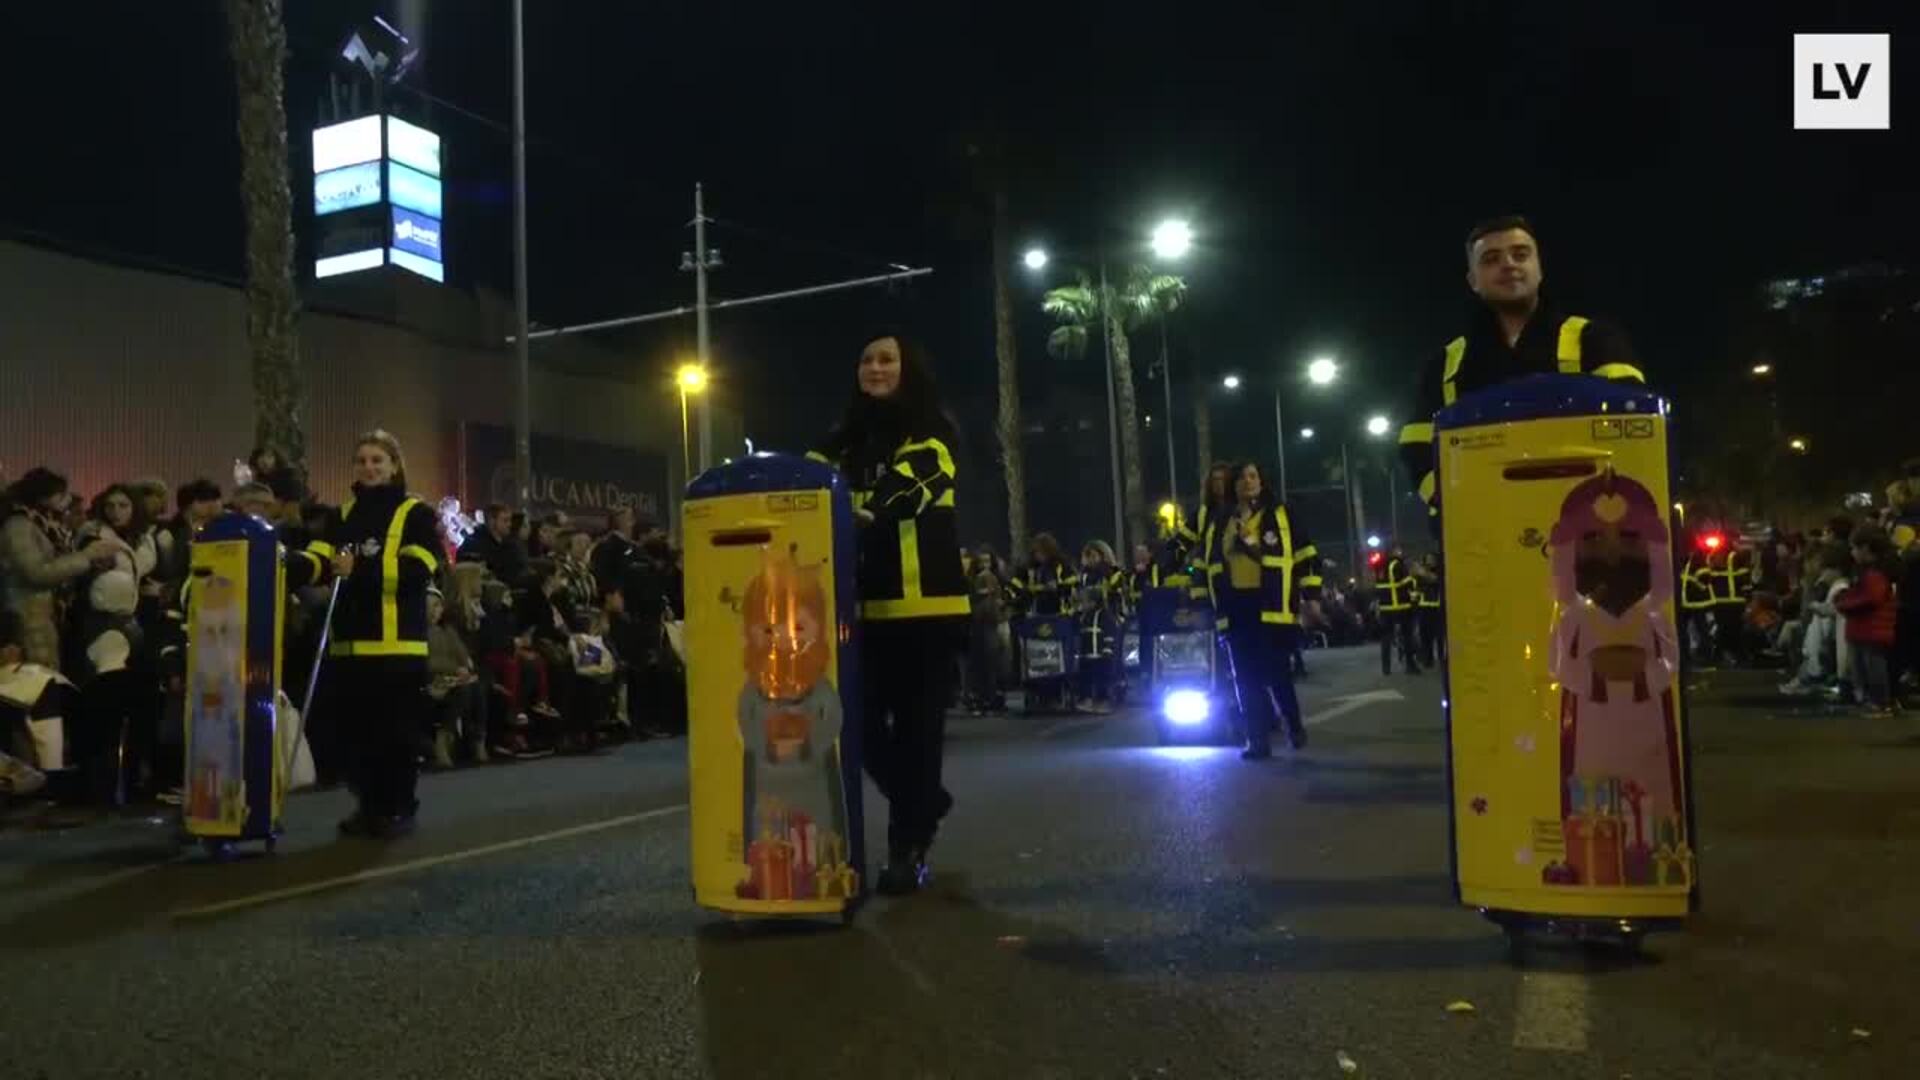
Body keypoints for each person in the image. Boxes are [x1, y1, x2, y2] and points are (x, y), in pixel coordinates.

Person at [809, 331, 968, 894]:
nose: (875, 368)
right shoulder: (838, 443)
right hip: (863, 609)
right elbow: (803, 486)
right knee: (858, 724)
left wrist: (851, 505)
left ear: (909, 367)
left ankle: (907, 848)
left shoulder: (932, 432)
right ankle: (924, 801)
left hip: (926, 608)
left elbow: (909, 488)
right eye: (866, 359)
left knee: (920, 731)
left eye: (886, 359)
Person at [1400, 216, 1644, 518]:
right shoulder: (1443, 366)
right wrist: (1451, 503)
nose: (1508, 264)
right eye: (1491, 259)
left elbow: (1638, 427)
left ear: (1539, 269)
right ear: (1473, 280)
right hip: (1486, 537)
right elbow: (1416, 447)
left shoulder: (1595, 340)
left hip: (1583, 530)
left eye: (1521, 254)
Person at [287, 430, 442, 837]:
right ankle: (368, 805)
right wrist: (284, 567)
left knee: (395, 735)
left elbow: (420, 568)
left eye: (378, 460)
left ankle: (397, 807)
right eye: (362, 460)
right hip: (348, 645)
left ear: (394, 466)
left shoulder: (416, 514)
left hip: (397, 645)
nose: (369, 467)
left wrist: (360, 571)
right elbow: (320, 558)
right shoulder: (341, 516)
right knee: (355, 735)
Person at [1211, 462, 1317, 759]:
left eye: (1253, 476)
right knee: (1245, 678)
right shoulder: (1223, 520)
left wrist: (1312, 597)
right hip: (1235, 606)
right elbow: (1209, 562)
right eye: (1241, 478)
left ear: (1262, 481)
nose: (1248, 482)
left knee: (1277, 673)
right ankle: (1257, 739)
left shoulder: (1281, 513)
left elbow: (1306, 553)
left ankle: (1293, 724)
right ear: (1233, 486)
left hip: (1271, 604)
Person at [1, 468, 119, 672]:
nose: (67, 499)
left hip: (46, 615)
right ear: (44, 496)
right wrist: (86, 557)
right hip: (27, 617)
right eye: (62, 494)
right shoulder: (18, 526)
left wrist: (89, 563)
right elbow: (36, 573)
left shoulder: (43, 525)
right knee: (33, 683)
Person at [1835, 529, 1900, 717]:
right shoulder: (1869, 572)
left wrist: (1844, 603)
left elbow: (1871, 598)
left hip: (1871, 629)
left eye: (1854, 548)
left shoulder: (1874, 574)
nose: (1852, 553)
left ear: (1866, 549)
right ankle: (1873, 703)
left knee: (1873, 669)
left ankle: (1881, 704)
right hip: (1865, 629)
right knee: (1864, 669)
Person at [424, 586, 483, 769]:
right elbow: (428, 662)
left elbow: (462, 655)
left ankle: (478, 740)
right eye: (431, 607)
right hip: (430, 680)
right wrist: (455, 668)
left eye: (438, 606)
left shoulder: (447, 630)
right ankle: (443, 738)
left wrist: (464, 667)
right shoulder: (418, 632)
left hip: (452, 678)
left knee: (477, 688)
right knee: (462, 691)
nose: (436, 611)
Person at [1073, 540, 1127, 712]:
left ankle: (1107, 697)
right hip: (1087, 620)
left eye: (1094, 555)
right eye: (1087, 555)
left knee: (1107, 658)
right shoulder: (1082, 575)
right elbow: (1076, 594)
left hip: (1107, 620)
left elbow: (1117, 596)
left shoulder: (1113, 573)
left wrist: (1100, 599)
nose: (1090, 559)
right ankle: (1087, 697)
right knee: (1087, 659)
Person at [964, 545, 1007, 715]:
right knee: (978, 662)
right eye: (982, 561)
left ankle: (993, 697)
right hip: (976, 624)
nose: (985, 564)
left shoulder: (997, 578)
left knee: (995, 661)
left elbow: (1003, 597)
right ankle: (978, 698)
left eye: (988, 560)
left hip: (993, 623)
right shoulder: (971, 579)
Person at [1372, 544, 1422, 675]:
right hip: (1401, 605)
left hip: (1385, 607)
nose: (1400, 553)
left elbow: (1379, 586)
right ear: (1394, 551)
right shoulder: (1397, 565)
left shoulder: (1379, 567)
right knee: (1407, 636)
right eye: (1399, 550)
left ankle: (1386, 668)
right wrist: (1413, 577)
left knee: (1386, 637)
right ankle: (1410, 666)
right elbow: (1406, 582)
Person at [458, 503, 530, 587]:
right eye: (505, 520)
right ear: (492, 521)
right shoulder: (473, 545)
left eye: (510, 520)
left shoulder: (510, 546)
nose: (509, 524)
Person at [1010, 533, 1073, 616]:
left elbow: (1072, 582)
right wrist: (1026, 589)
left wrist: (1058, 586)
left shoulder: (1061, 564)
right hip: (1034, 610)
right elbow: (1015, 583)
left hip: (1059, 610)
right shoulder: (1028, 566)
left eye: (1043, 552)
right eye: (1037, 552)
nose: (1039, 556)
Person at [1413, 551, 1445, 668]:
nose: (1429, 561)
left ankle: (1442, 659)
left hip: (1437, 607)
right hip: (1423, 607)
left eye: (1431, 559)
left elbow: (1435, 579)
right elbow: (1416, 587)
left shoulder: (1439, 570)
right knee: (1425, 635)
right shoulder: (1420, 574)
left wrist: (1422, 572)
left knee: (1439, 636)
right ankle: (1428, 659)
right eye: (1427, 559)